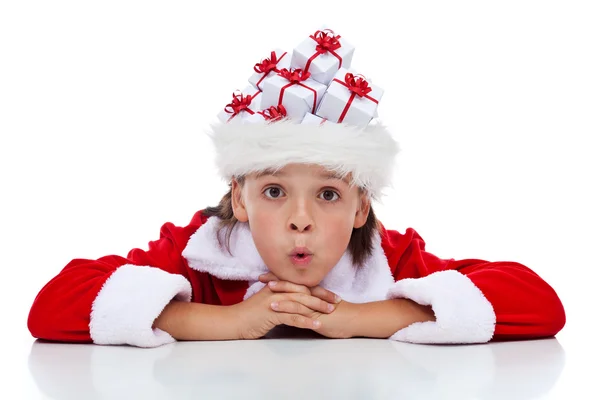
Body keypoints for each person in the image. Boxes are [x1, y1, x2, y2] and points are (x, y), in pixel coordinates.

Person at [27, 30, 565, 348]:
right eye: (275, 192)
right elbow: (51, 307)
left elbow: (541, 304)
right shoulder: (201, 256)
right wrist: (225, 321)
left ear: (361, 207)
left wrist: (357, 317)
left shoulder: (390, 260)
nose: (300, 219)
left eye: (328, 194)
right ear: (239, 198)